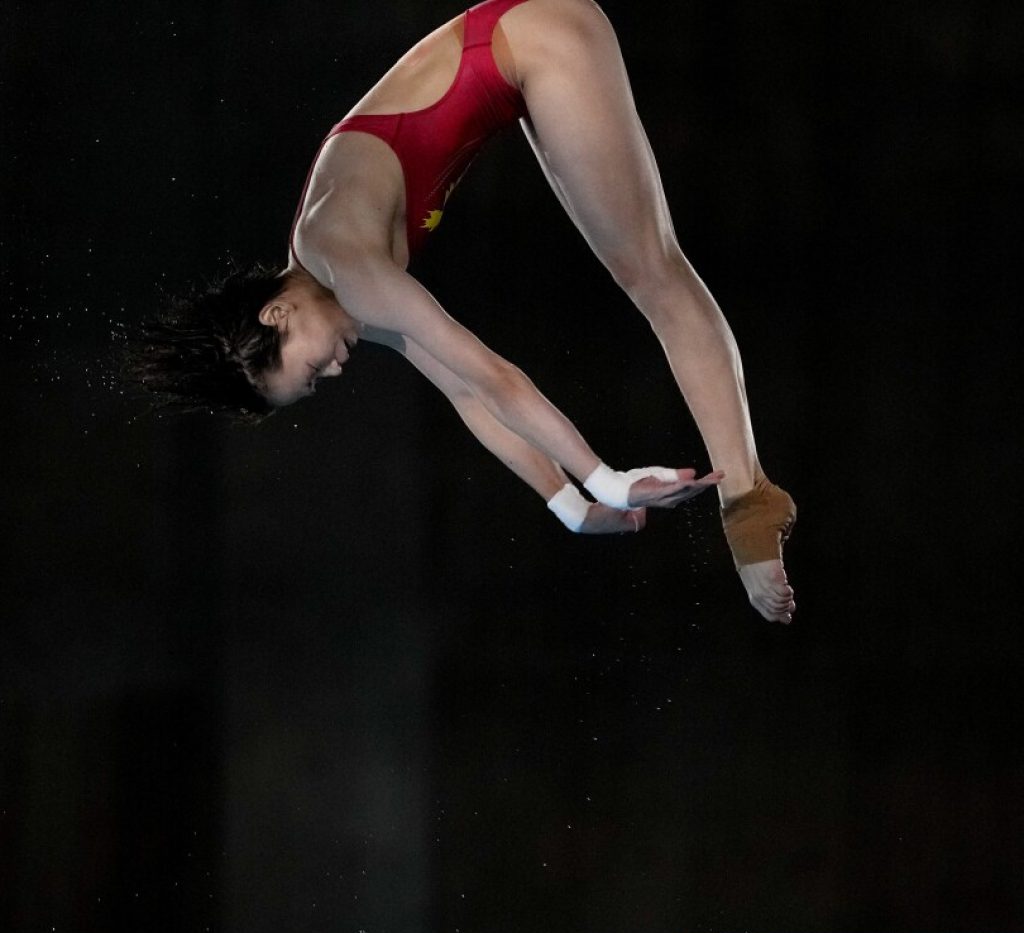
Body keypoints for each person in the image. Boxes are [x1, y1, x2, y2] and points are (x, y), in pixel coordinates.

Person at [129, 0, 797, 624]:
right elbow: (469, 395)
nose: (331, 375)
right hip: (519, 60)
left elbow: (494, 374)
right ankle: (743, 501)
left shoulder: (344, 262)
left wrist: (610, 483)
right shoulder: (335, 283)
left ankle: (747, 505)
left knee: (651, 272)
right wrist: (569, 505)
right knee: (642, 271)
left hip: (533, 43)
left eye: (308, 373)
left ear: (276, 315)